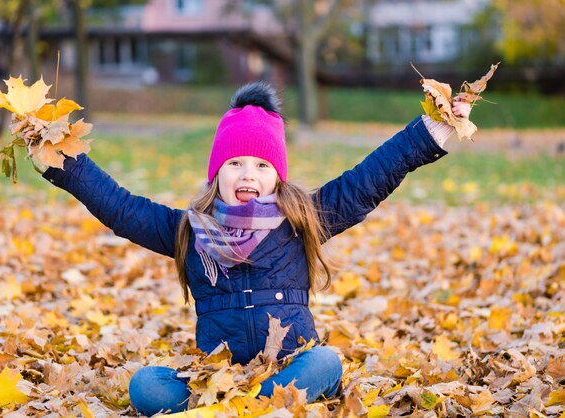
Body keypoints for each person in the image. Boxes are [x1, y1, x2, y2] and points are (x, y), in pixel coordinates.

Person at [38, 82, 471, 416]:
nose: (249, 174)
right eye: (236, 163)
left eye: (262, 165)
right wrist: (62, 160)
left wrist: (429, 133)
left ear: (277, 175)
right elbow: (120, 208)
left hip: (287, 372)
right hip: (218, 379)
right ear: (217, 174)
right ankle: (244, 409)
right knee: (146, 386)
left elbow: (369, 180)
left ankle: (252, 408)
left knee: (325, 363)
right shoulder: (188, 229)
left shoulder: (303, 219)